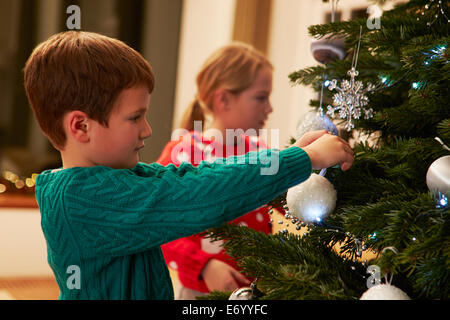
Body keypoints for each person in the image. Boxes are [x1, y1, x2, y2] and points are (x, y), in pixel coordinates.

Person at [24, 31, 354, 300]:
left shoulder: (122, 177)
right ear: (80, 127)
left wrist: (293, 155)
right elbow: (193, 194)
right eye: (135, 117)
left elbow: (199, 176)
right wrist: (303, 160)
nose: (147, 130)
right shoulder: (83, 199)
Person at [156, 42, 285, 299]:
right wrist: (202, 266)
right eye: (261, 97)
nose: (269, 108)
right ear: (224, 99)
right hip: (201, 294)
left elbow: (293, 202)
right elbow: (157, 225)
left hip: (259, 292)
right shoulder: (183, 153)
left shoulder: (263, 153)